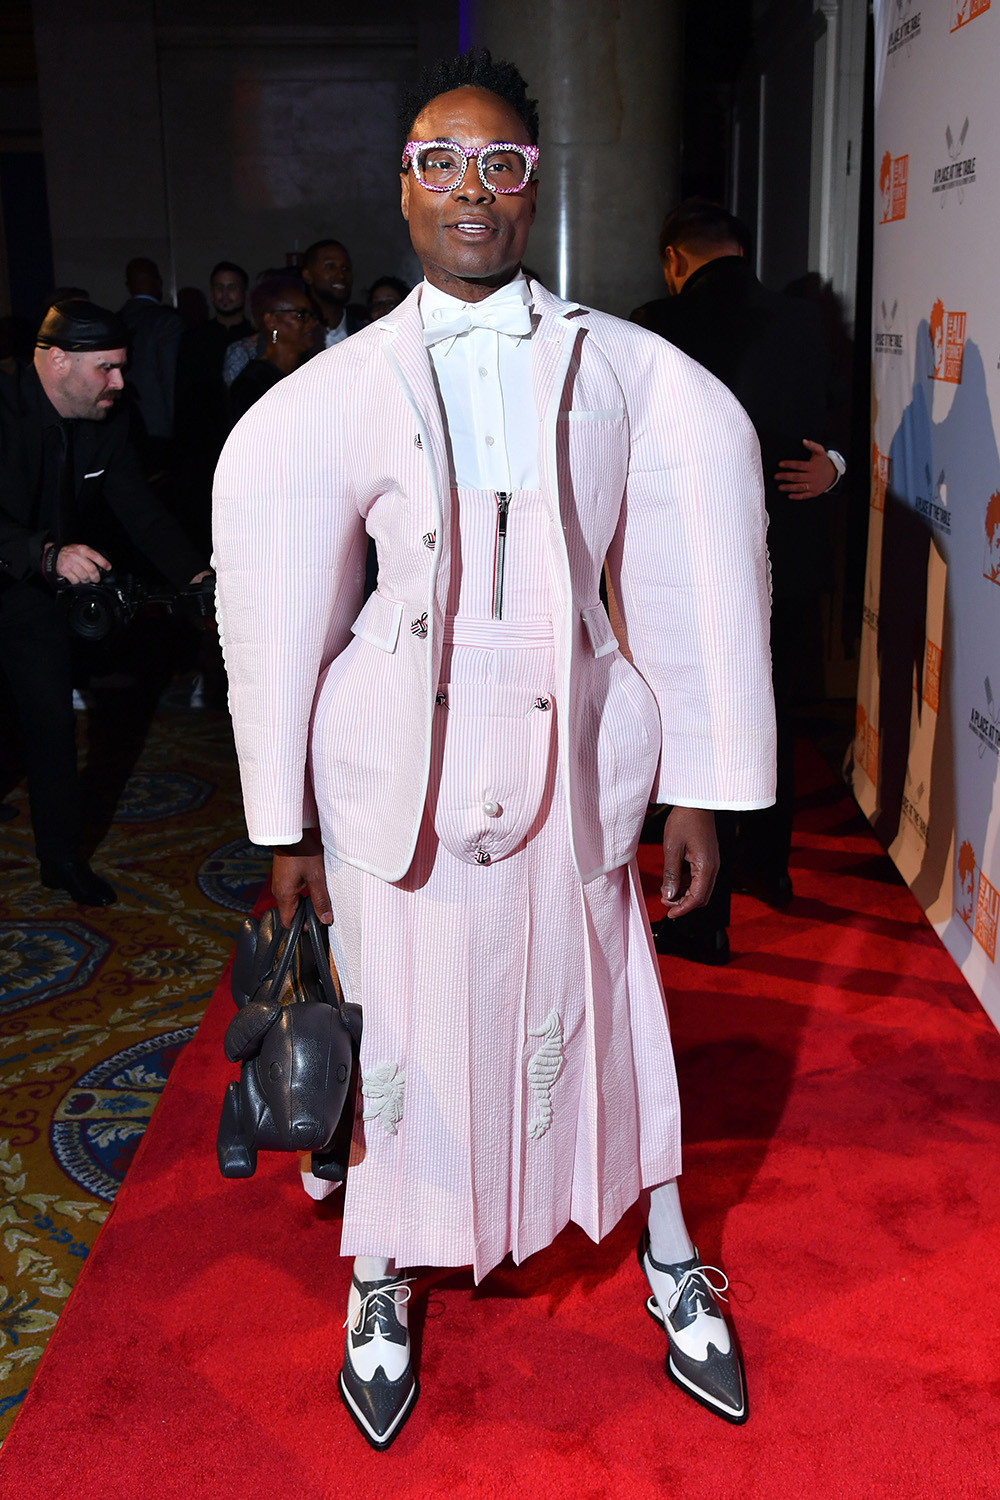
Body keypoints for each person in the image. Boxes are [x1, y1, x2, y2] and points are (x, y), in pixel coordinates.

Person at [214, 51, 775, 1448]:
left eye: (501, 165)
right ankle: (386, 1271)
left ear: (535, 190)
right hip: (394, 778)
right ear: (405, 195)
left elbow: (687, 579)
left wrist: (700, 785)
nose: (473, 188)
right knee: (397, 1023)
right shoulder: (333, 392)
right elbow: (285, 601)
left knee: (608, 1018)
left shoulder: (630, 372)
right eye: (442, 163)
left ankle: (666, 1248)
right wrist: (280, 824)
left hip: (575, 770)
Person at [632, 199, 845, 963]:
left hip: (696, 560)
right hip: (787, 554)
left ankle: (701, 917)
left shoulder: (655, 324)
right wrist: (836, 468)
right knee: (775, 710)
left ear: (674, 259)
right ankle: (768, 869)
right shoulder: (803, 320)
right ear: (740, 250)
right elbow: (842, 416)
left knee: (700, 719)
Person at [0, 300, 210, 905]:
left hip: (34, 596)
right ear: (58, 360)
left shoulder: (107, 419)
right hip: (24, 559)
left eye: (123, 367)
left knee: (51, 722)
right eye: (107, 369)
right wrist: (44, 552)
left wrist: (196, 573)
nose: (120, 383)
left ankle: (60, 858)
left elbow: (140, 512)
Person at [174, 263, 254, 549]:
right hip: (202, 448)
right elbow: (181, 398)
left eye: (231, 286)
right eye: (219, 287)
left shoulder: (256, 339)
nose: (225, 294)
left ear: (244, 293)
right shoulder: (194, 339)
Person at [117, 257, 185, 472]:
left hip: (122, 428)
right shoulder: (167, 322)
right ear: (158, 282)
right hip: (160, 428)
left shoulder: (115, 321)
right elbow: (171, 376)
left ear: (128, 286)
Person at [227, 276, 317, 425]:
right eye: (301, 315)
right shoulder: (251, 385)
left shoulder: (309, 374)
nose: (312, 323)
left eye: (312, 315)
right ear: (271, 321)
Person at [301, 240, 368, 347]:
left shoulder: (365, 335)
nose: (341, 275)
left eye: (345, 268)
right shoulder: (296, 334)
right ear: (308, 275)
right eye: (330, 267)